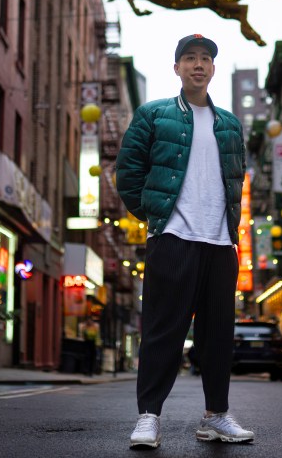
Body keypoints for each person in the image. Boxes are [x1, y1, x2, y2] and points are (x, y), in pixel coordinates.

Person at [116, 34, 254, 449]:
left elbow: (236, 179)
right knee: (163, 330)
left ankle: (216, 416)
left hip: (219, 243)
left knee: (217, 334)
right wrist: (157, 216)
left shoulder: (229, 123)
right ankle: (149, 417)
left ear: (213, 69)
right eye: (190, 58)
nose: (199, 64)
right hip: (172, 238)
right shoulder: (153, 115)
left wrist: (229, 231)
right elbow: (128, 173)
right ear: (177, 68)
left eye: (206, 59)